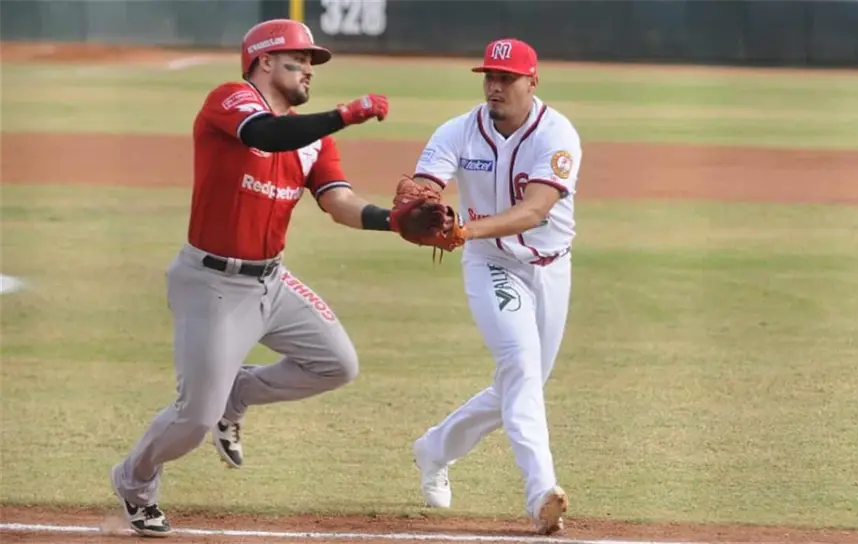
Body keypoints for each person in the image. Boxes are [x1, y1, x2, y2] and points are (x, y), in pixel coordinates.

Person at [110, 19, 400, 537]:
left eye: (311, 62)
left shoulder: (312, 139)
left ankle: (236, 394)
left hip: (273, 282)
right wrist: (345, 114)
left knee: (337, 364)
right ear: (263, 60)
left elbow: (339, 203)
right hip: (212, 285)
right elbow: (265, 134)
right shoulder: (230, 100)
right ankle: (134, 480)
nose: (309, 69)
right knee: (193, 421)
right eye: (298, 59)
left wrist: (394, 221)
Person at [402, 37, 582, 535]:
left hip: (551, 267)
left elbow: (535, 210)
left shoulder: (557, 135)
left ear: (532, 82)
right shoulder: (458, 131)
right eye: (489, 77)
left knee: (520, 386)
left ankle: (434, 448)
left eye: (506, 78)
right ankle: (541, 495)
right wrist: (421, 202)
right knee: (520, 368)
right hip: (491, 263)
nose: (494, 87)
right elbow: (425, 185)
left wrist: (464, 229)